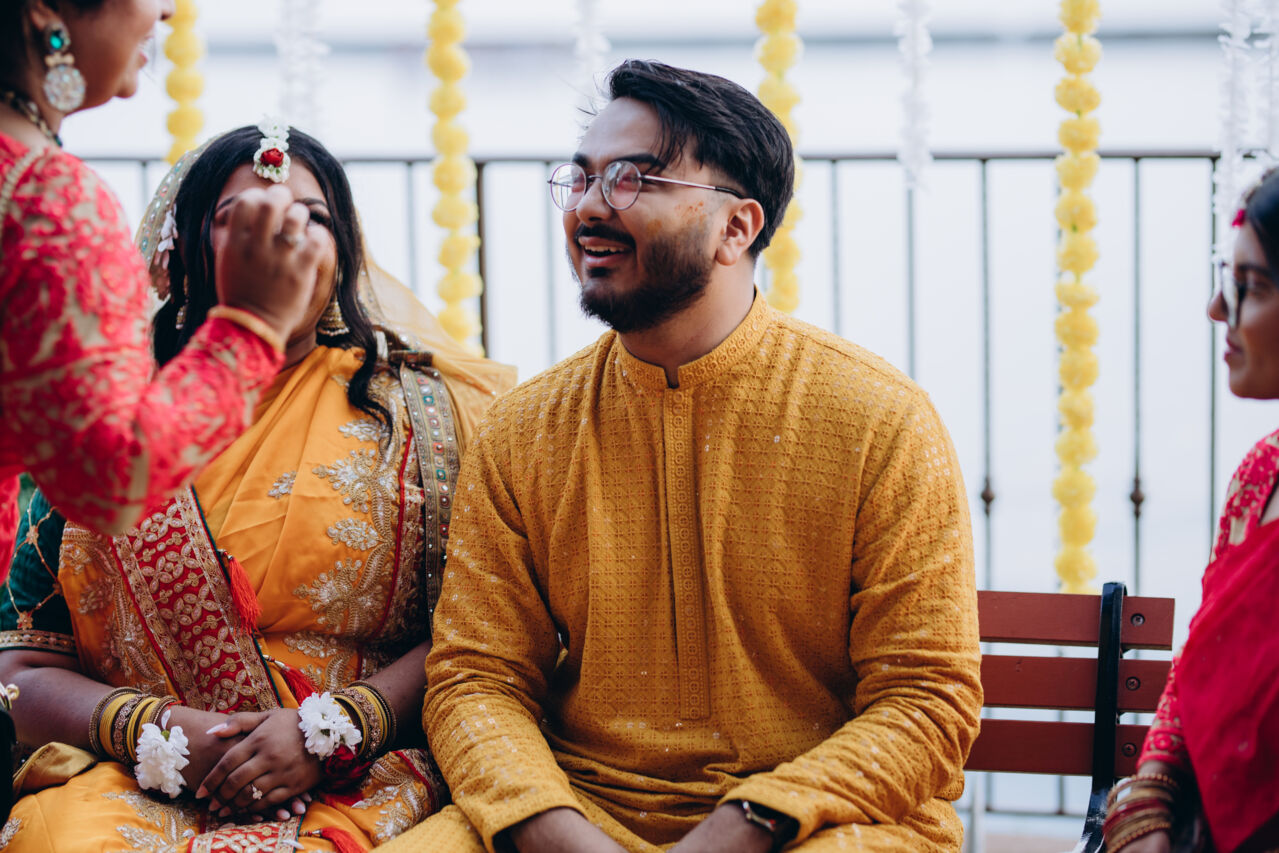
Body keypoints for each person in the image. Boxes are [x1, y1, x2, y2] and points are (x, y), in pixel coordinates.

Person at [380, 60, 982, 853]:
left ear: (737, 227)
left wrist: (747, 821)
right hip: (577, 811)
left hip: (814, 823)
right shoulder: (525, 428)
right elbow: (476, 676)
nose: (590, 206)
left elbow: (926, 700)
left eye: (634, 179)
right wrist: (550, 825)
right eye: (583, 178)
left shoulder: (879, 418)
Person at [0, 123, 516, 851]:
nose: (284, 237)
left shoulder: (434, 414)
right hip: (142, 776)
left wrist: (334, 728)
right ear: (182, 249)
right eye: (243, 218)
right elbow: (23, 663)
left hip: (371, 772)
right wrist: (158, 730)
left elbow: (484, 634)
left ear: (345, 250)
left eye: (312, 216)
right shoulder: (109, 422)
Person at [0, 0, 324, 575]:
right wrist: (251, 323)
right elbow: (111, 479)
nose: (169, 10)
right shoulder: (46, 198)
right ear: (44, 9)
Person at [1105, 171, 1279, 853]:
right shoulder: (1261, 476)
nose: (1216, 308)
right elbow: (1199, 671)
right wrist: (1147, 802)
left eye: (1251, 287)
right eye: (1225, 279)